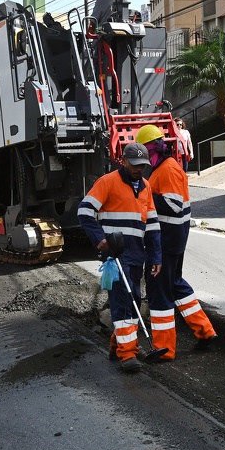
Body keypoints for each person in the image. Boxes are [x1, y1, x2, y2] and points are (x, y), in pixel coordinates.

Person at [78, 142, 162, 373]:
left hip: (137, 254)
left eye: (143, 165)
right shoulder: (107, 182)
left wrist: (156, 257)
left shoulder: (145, 186)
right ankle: (127, 355)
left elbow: (153, 225)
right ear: (123, 161)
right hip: (115, 253)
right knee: (123, 301)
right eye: (134, 165)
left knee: (134, 297)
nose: (139, 169)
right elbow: (85, 212)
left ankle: (122, 345)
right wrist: (100, 239)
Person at [135, 124, 217, 359]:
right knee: (175, 284)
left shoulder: (168, 170)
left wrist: (144, 195)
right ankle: (204, 331)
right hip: (171, 240)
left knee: (159, 291)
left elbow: (172, 205)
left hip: (166, 241)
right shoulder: (164, 168)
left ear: (154, 149)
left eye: (145, 151)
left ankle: (164, 349)